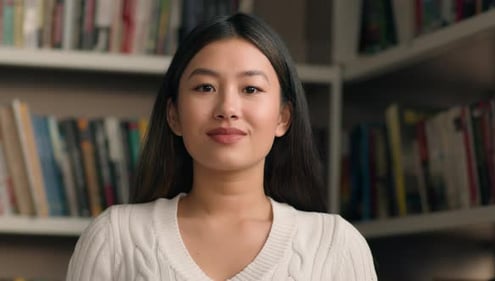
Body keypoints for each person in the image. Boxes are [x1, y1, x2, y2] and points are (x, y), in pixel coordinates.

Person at [66, 13, 377, 281]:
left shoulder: (335, 244)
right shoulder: (115, 237)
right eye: (205, 87)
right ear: (174, 115)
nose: (228, 108)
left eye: (251, 89)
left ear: (283, 117)